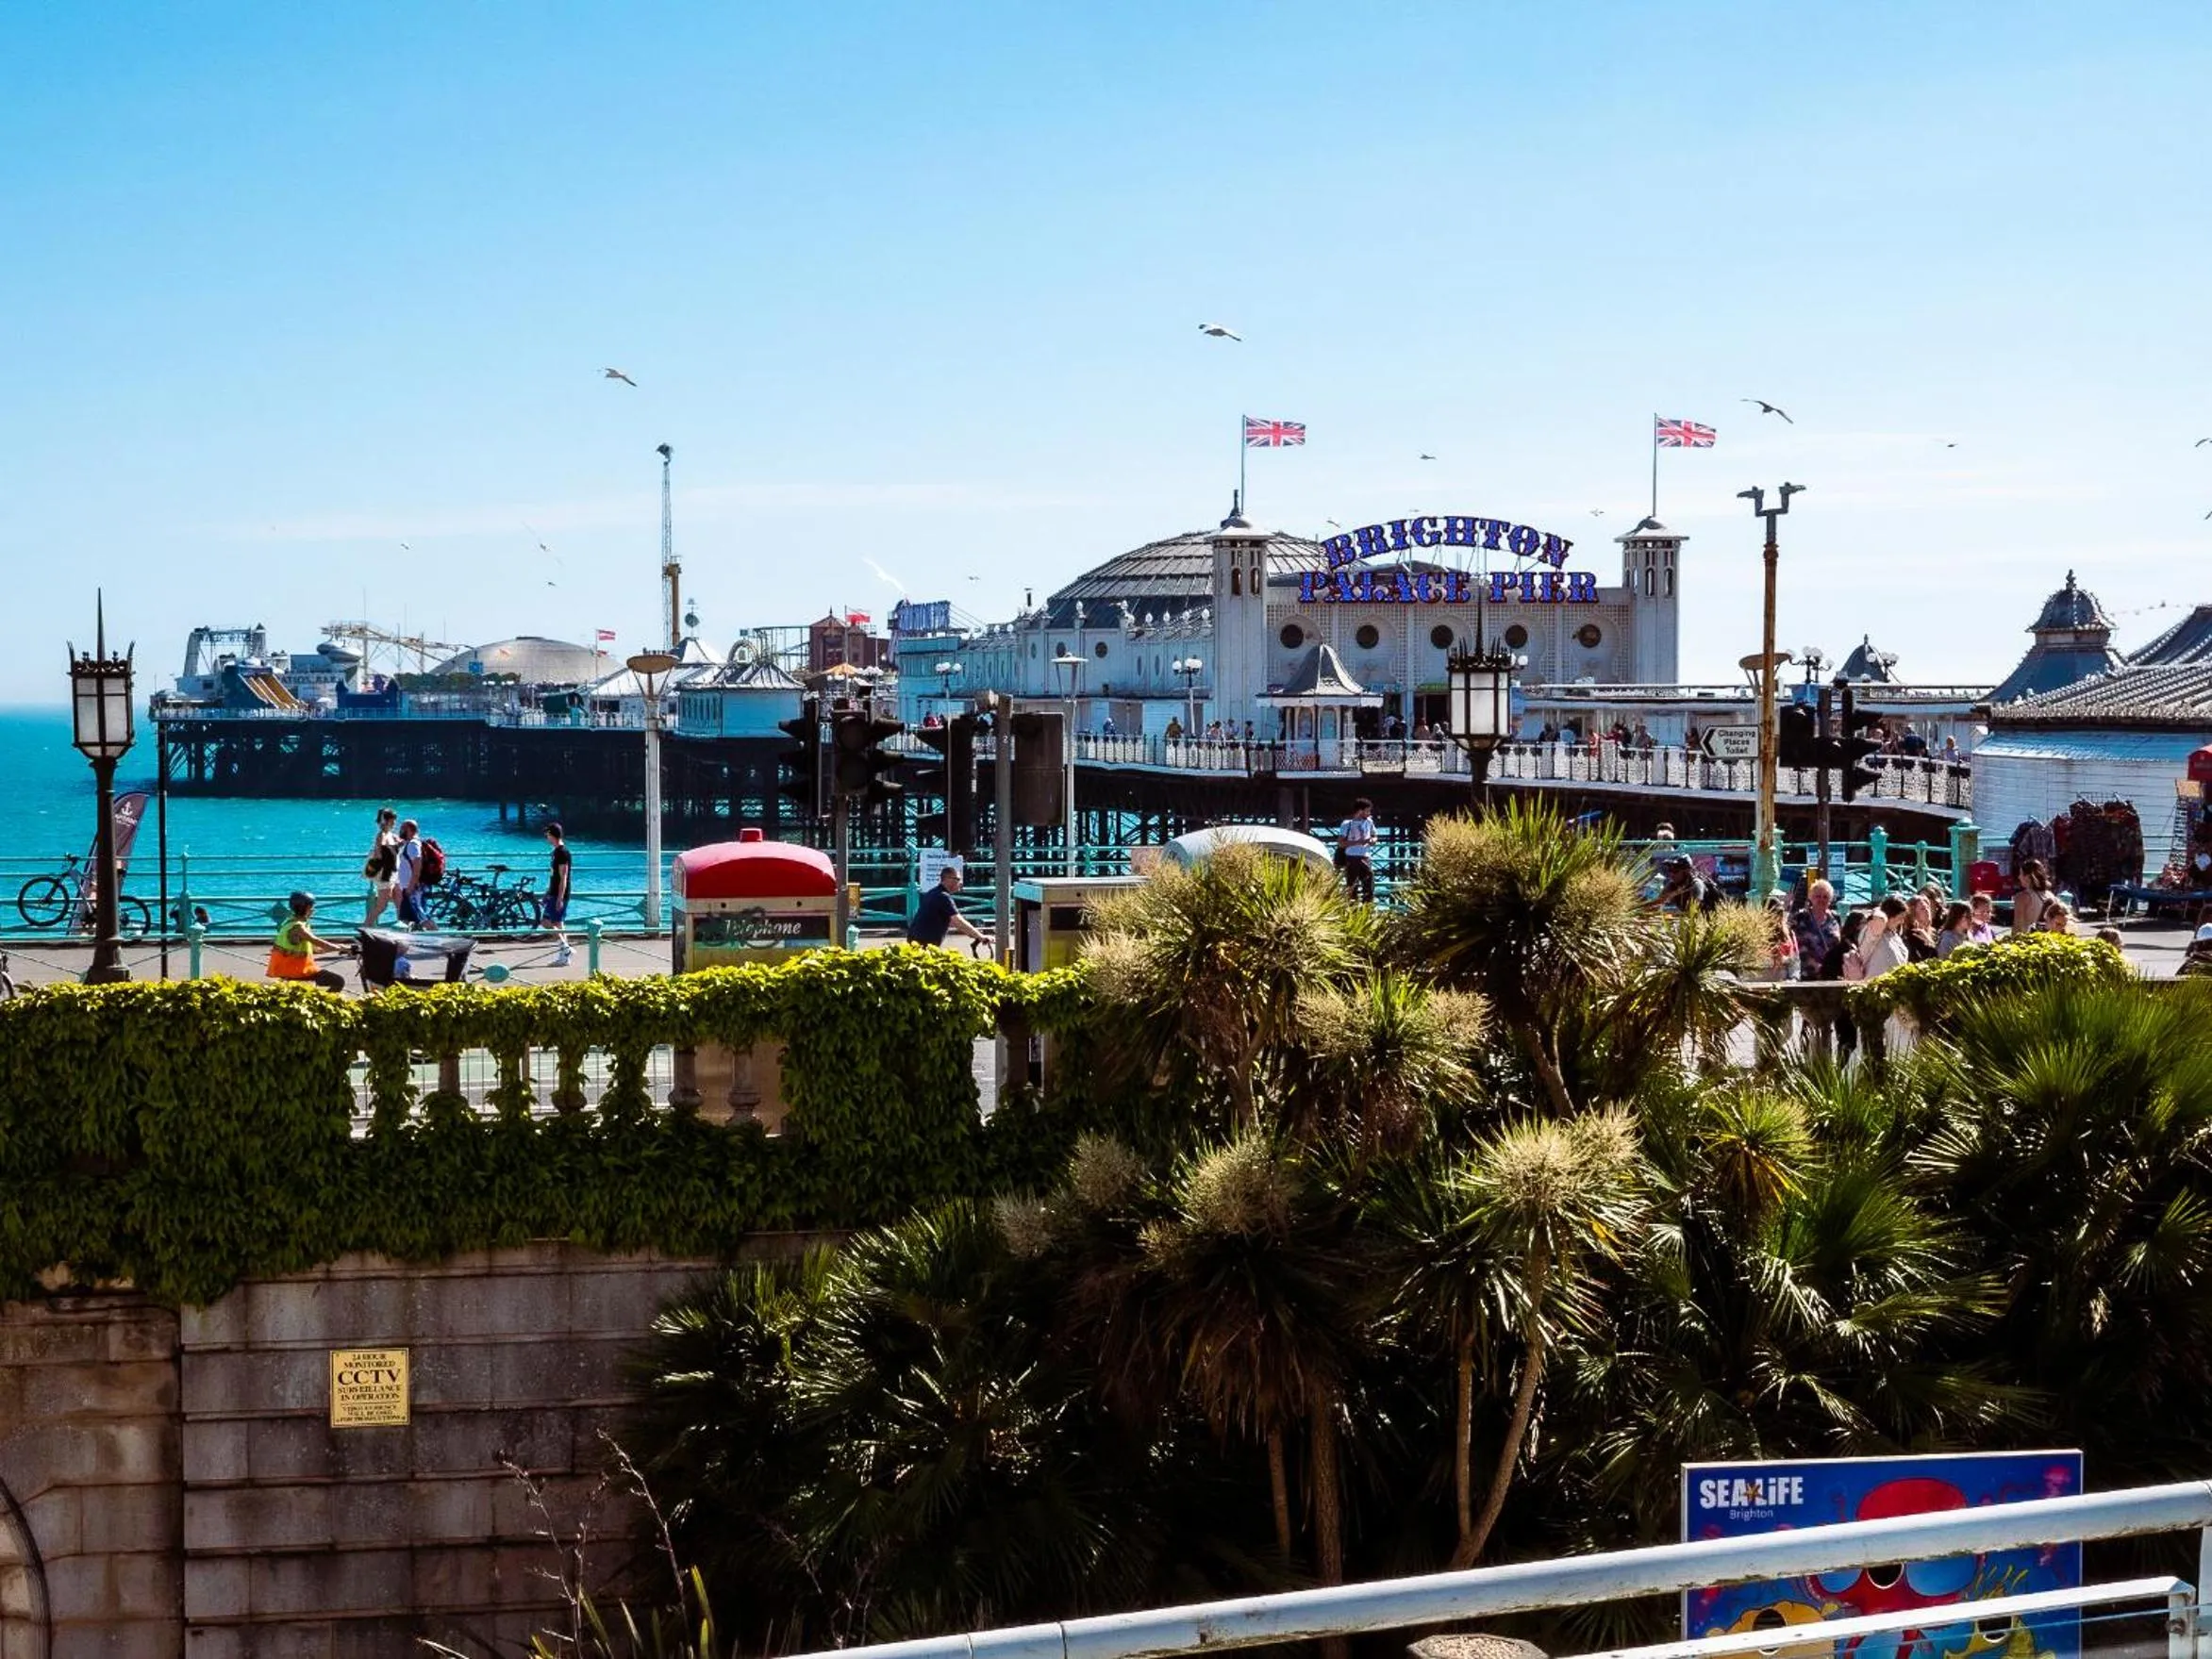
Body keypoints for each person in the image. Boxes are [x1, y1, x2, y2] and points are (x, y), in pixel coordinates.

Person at [267, 892, 351, 992]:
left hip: (286, 968)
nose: (313, 910)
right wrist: (344, 948)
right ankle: (323, 1002)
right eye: (312, 907)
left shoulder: (289, 922)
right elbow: (317, 941)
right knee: (338, 981)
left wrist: (336, 949)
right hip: (295, 970)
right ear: (306, 908)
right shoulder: (298, 927)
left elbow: (315, 949)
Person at [906, 863, 988, 951]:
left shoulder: (933, 892)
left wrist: (973, 934)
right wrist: (980, 936)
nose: (960, 883)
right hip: (924, 943)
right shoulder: (943, 896)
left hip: (915, 939)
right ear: (947, 879)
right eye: (958, 879)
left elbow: (954, 922)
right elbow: (958, 921)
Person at [1845, 898, 1911, 982]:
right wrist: (1880, 911)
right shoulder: (1871, 932)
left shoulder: (1895, 936)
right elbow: (1879, 921)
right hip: (1876, 986)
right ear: (1890, 916)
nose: (1902, 922)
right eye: (1900, 917)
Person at [1792, 878, 1841, 978]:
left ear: (1830, 900)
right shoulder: (1800, 917)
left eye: (1825, 897)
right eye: (1818, 896)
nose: (1821, 899)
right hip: (1806, 973)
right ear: (1811, 898)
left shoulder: (1835, 918)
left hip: (1830, 973)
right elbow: (1794, 944)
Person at [542, 821, 574, 966]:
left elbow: (563, 877)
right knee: (559, 923)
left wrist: (560, 898)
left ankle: (565, 948)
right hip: (554, 892)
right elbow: (553, 876)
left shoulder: (562, 853)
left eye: (547, 834)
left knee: (546, 922)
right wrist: (548, 892)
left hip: (559, 893)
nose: (546, 837)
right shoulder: (555, 852)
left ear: (552, 835)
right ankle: (564, 956)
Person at [1336, 798, 1378, 904]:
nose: (1369, 813)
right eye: (1367, 811)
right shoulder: (1347, 824)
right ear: (1360, 811)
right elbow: (1341, 843)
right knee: (1352, 886)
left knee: (1369, 885)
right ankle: (1352, 908)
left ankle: (1367, 907)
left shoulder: (1369, 822)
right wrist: (1358, 842)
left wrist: (1372, 840)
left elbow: (1374, 836)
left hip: (1365, 857)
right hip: (1352, 857)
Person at [362, 807, 399, 926]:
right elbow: (380, 853)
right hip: (385, 874)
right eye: (393, 820)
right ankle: (365, 927)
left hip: (390, 873)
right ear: (387, 821)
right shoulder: (382, 835)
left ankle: (403, 924)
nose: (394, 823)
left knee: (398, 899)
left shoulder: (390, 835)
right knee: (382, 905)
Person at [392, 819, 427, 927]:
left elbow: (417, 866)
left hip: (412, 889)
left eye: (402, 828)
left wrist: (411, 887)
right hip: (408, 888)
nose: (400, 831)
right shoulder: (410, 843)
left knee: (423, 919)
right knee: (406, 919)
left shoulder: (413, 845)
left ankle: (439, 936)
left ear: (409, 829)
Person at [2012, 858, 2054, 935]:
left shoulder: (2022, 897)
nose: (2019, 877)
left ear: (2028, 877)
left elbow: (2018, 926)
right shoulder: (2050, 896)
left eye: (2021, 874)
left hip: (2029, 939)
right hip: (2048, 938)